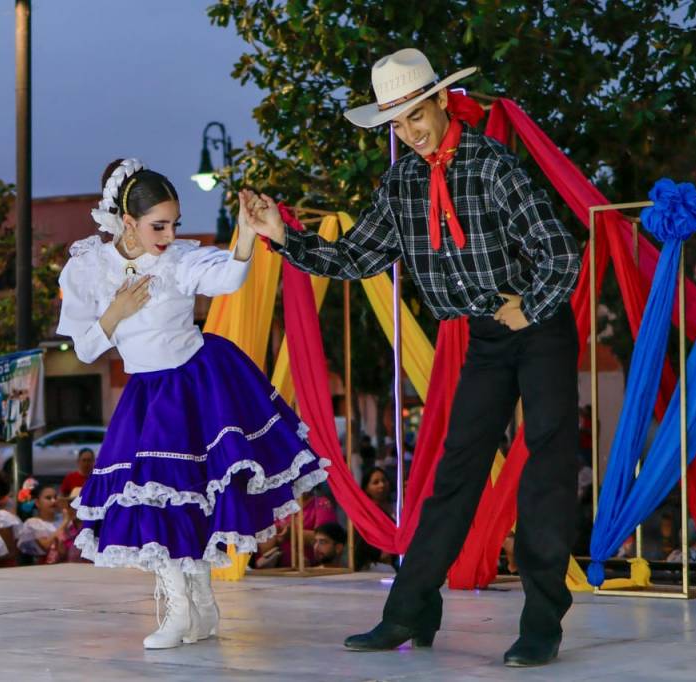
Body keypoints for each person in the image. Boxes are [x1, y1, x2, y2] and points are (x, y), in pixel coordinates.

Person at [243, 48, 580, 667]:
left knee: (544, 471)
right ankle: (410, 612)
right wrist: (281, 235)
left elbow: (562, 252)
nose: (409, 133)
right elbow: (356, 258)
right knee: (455, 472)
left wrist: (529, 308)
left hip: (539, 327)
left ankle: (541, 622)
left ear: (442, 102)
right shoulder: (402, 182)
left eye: (416, 117)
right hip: (485, 335)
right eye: (397, 125)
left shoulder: (493, 166)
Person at [57, 158, 329, 649]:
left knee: (191, 500)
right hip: (146, 395)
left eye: (173, 224)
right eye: (158, 225)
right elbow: (84, 348)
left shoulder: (178, 260)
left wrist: (245, 236)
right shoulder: (88, 269)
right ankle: (185, 609)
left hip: (196, 385)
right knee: (162, 501)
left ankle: (197, 608)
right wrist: (114, 314)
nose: (168, 234)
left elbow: (226, 278)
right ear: (126, 221)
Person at [17, 482, 63, 562]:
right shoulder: (33, 523)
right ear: (37, 503)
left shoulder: (62, 518)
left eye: (55, 497)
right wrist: (65, 522)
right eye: (48, 498)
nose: (53, 501)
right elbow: (46, 545)